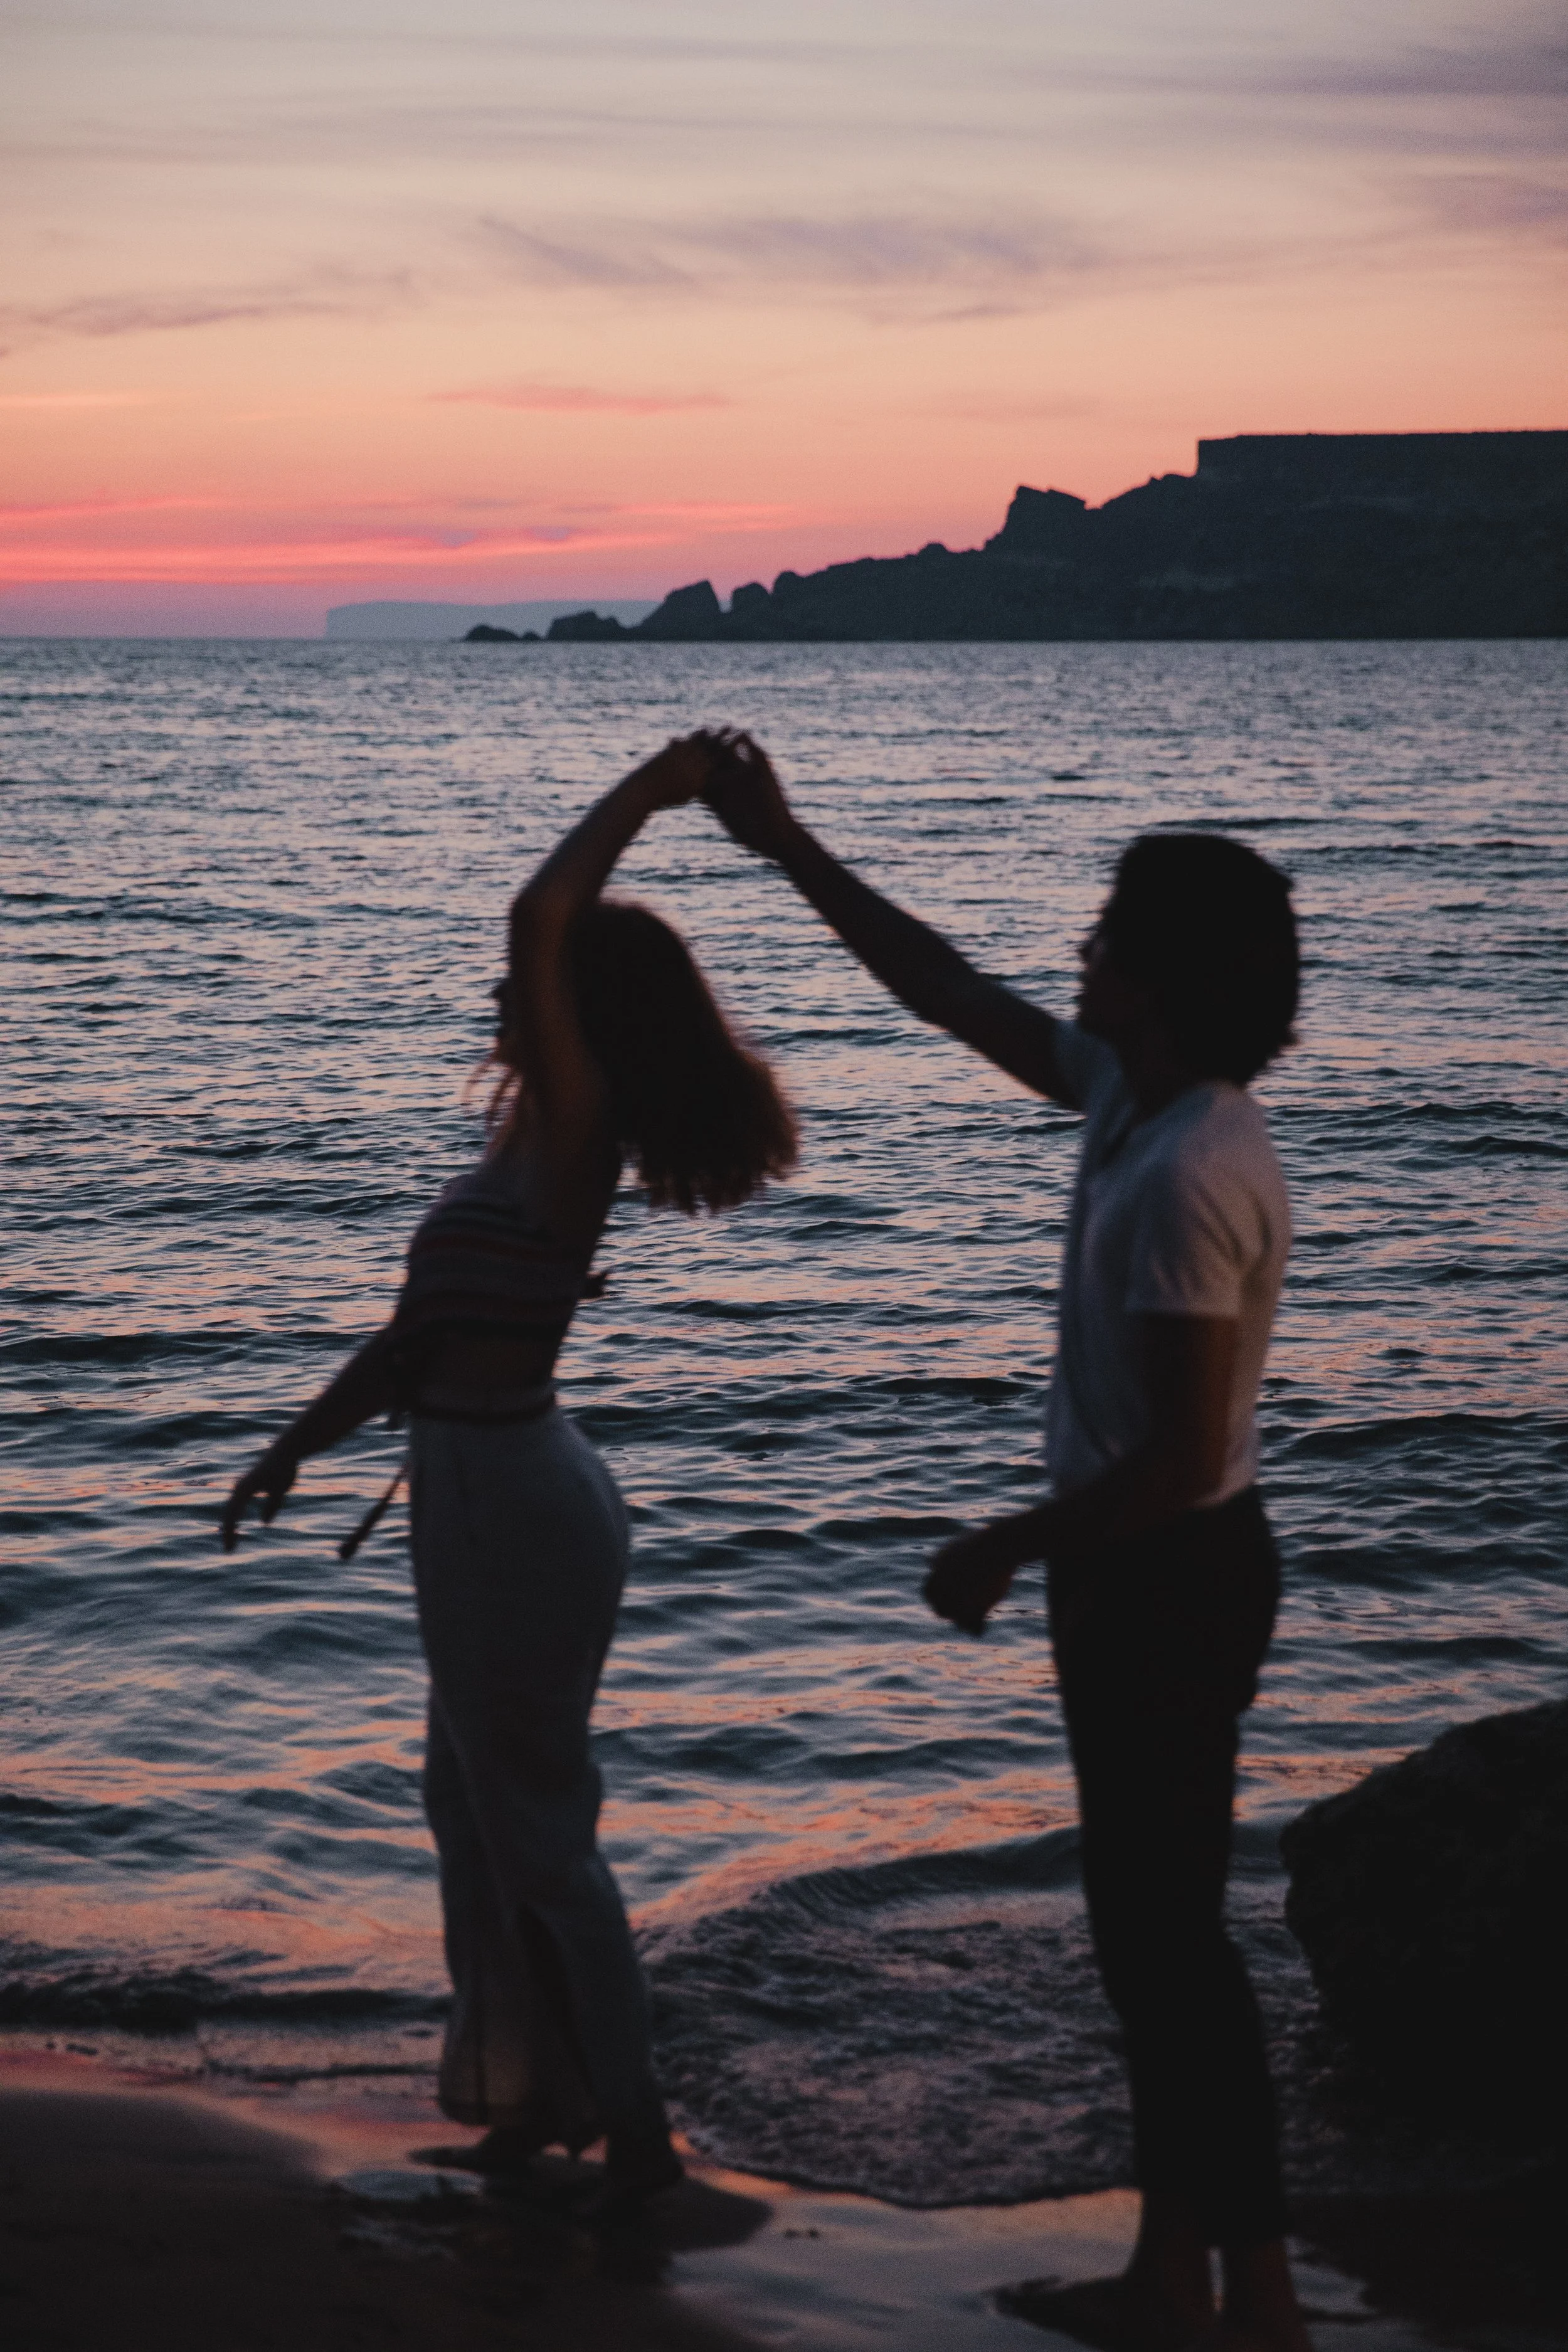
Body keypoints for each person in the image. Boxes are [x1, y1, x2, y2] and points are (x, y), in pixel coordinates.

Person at [700, 736, 1309, 2352]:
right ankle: (1171, 2276)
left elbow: (1177, 1459)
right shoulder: (1134, 1098)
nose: (1079, 951)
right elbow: (948, 993)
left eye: (1105, 934)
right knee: (1147, 1945)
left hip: (1170, 1578)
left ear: (1160, 976)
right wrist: (785, 847)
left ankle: (1255, 2305)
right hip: (1145, 1569)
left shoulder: (1189, 1168)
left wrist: (1003, 1547)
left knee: (1171, 1953)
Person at [221, 736, 797, 2207]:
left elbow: (540, 916)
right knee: (471, 1810)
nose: (500, 996)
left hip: (511, 1500)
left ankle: (638, 2135)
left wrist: (653, 791)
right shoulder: (525, 1139)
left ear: (578, 1013)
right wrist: (291, 1449)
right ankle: (539, 2094)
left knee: (533, 1832)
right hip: (489, 1484)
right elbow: (416, 1341)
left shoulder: (573, 1132)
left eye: (530, 989)